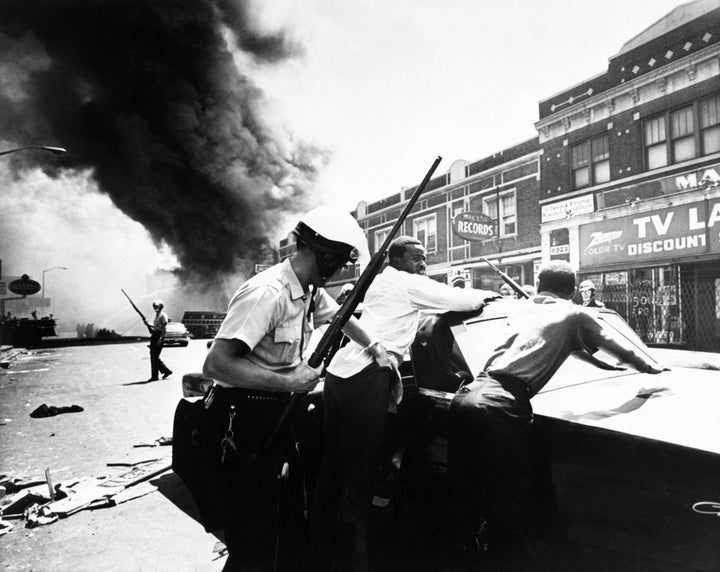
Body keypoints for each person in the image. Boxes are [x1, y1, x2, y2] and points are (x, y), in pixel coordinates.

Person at [201, 205, 390, 572]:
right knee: (254, 540)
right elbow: (217, 363)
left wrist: (376, 347)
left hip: (279, 415)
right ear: (326, 255)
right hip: (245, 421)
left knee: (284, 529)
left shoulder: (308, 292)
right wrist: (291, 381)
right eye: (339, 261)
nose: (339, 270)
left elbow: (341, 317)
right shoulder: (267, 293)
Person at [446, 261, 666, 568]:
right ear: (574, 290)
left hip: (466, 399)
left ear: (538, 285)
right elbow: (621, 351)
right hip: (502, 404)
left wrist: (608, 367)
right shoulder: (575, 313)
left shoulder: (523, 309)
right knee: (510, 508)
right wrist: (653, 368)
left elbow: (578, 350)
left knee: (466, 498)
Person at [310, 235, 499, 571]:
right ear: (397, 260)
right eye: (416, 258)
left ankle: (321, 550)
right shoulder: (406, 282)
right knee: (359, 477)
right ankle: (355, 562)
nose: (423, 265)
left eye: (425, 258)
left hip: (340, 376)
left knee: (332, 471)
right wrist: (487, 295)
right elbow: (459, 300)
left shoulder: (383, 282)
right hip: (367, 375)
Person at [147, 300, 172, 381]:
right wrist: (148, 324)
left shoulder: (163, 315)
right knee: (153, 356)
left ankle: (164, 372)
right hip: (155, 335)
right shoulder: (157, 315)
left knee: (155, 357)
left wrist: (161, 339)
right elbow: (156, 327)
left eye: (157, 306)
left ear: (161, 307)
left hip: (159, 336)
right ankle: (158, 374)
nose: (155, 308)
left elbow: (164, 328)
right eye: (154, 307)